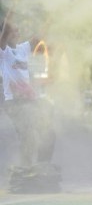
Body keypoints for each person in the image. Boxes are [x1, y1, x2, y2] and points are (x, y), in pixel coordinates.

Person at [0, 11, 56, 169]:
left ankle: (42, 166)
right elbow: (3, 36)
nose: (17, 32)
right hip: (14, 103)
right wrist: (9, 14)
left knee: (49, 133)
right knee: (29, 133)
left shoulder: (22, 49)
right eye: (13, 30)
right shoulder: (3, 53)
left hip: (30, 101)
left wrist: (50, 18)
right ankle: (25, 168)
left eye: (18, 30)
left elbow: (38, 37)